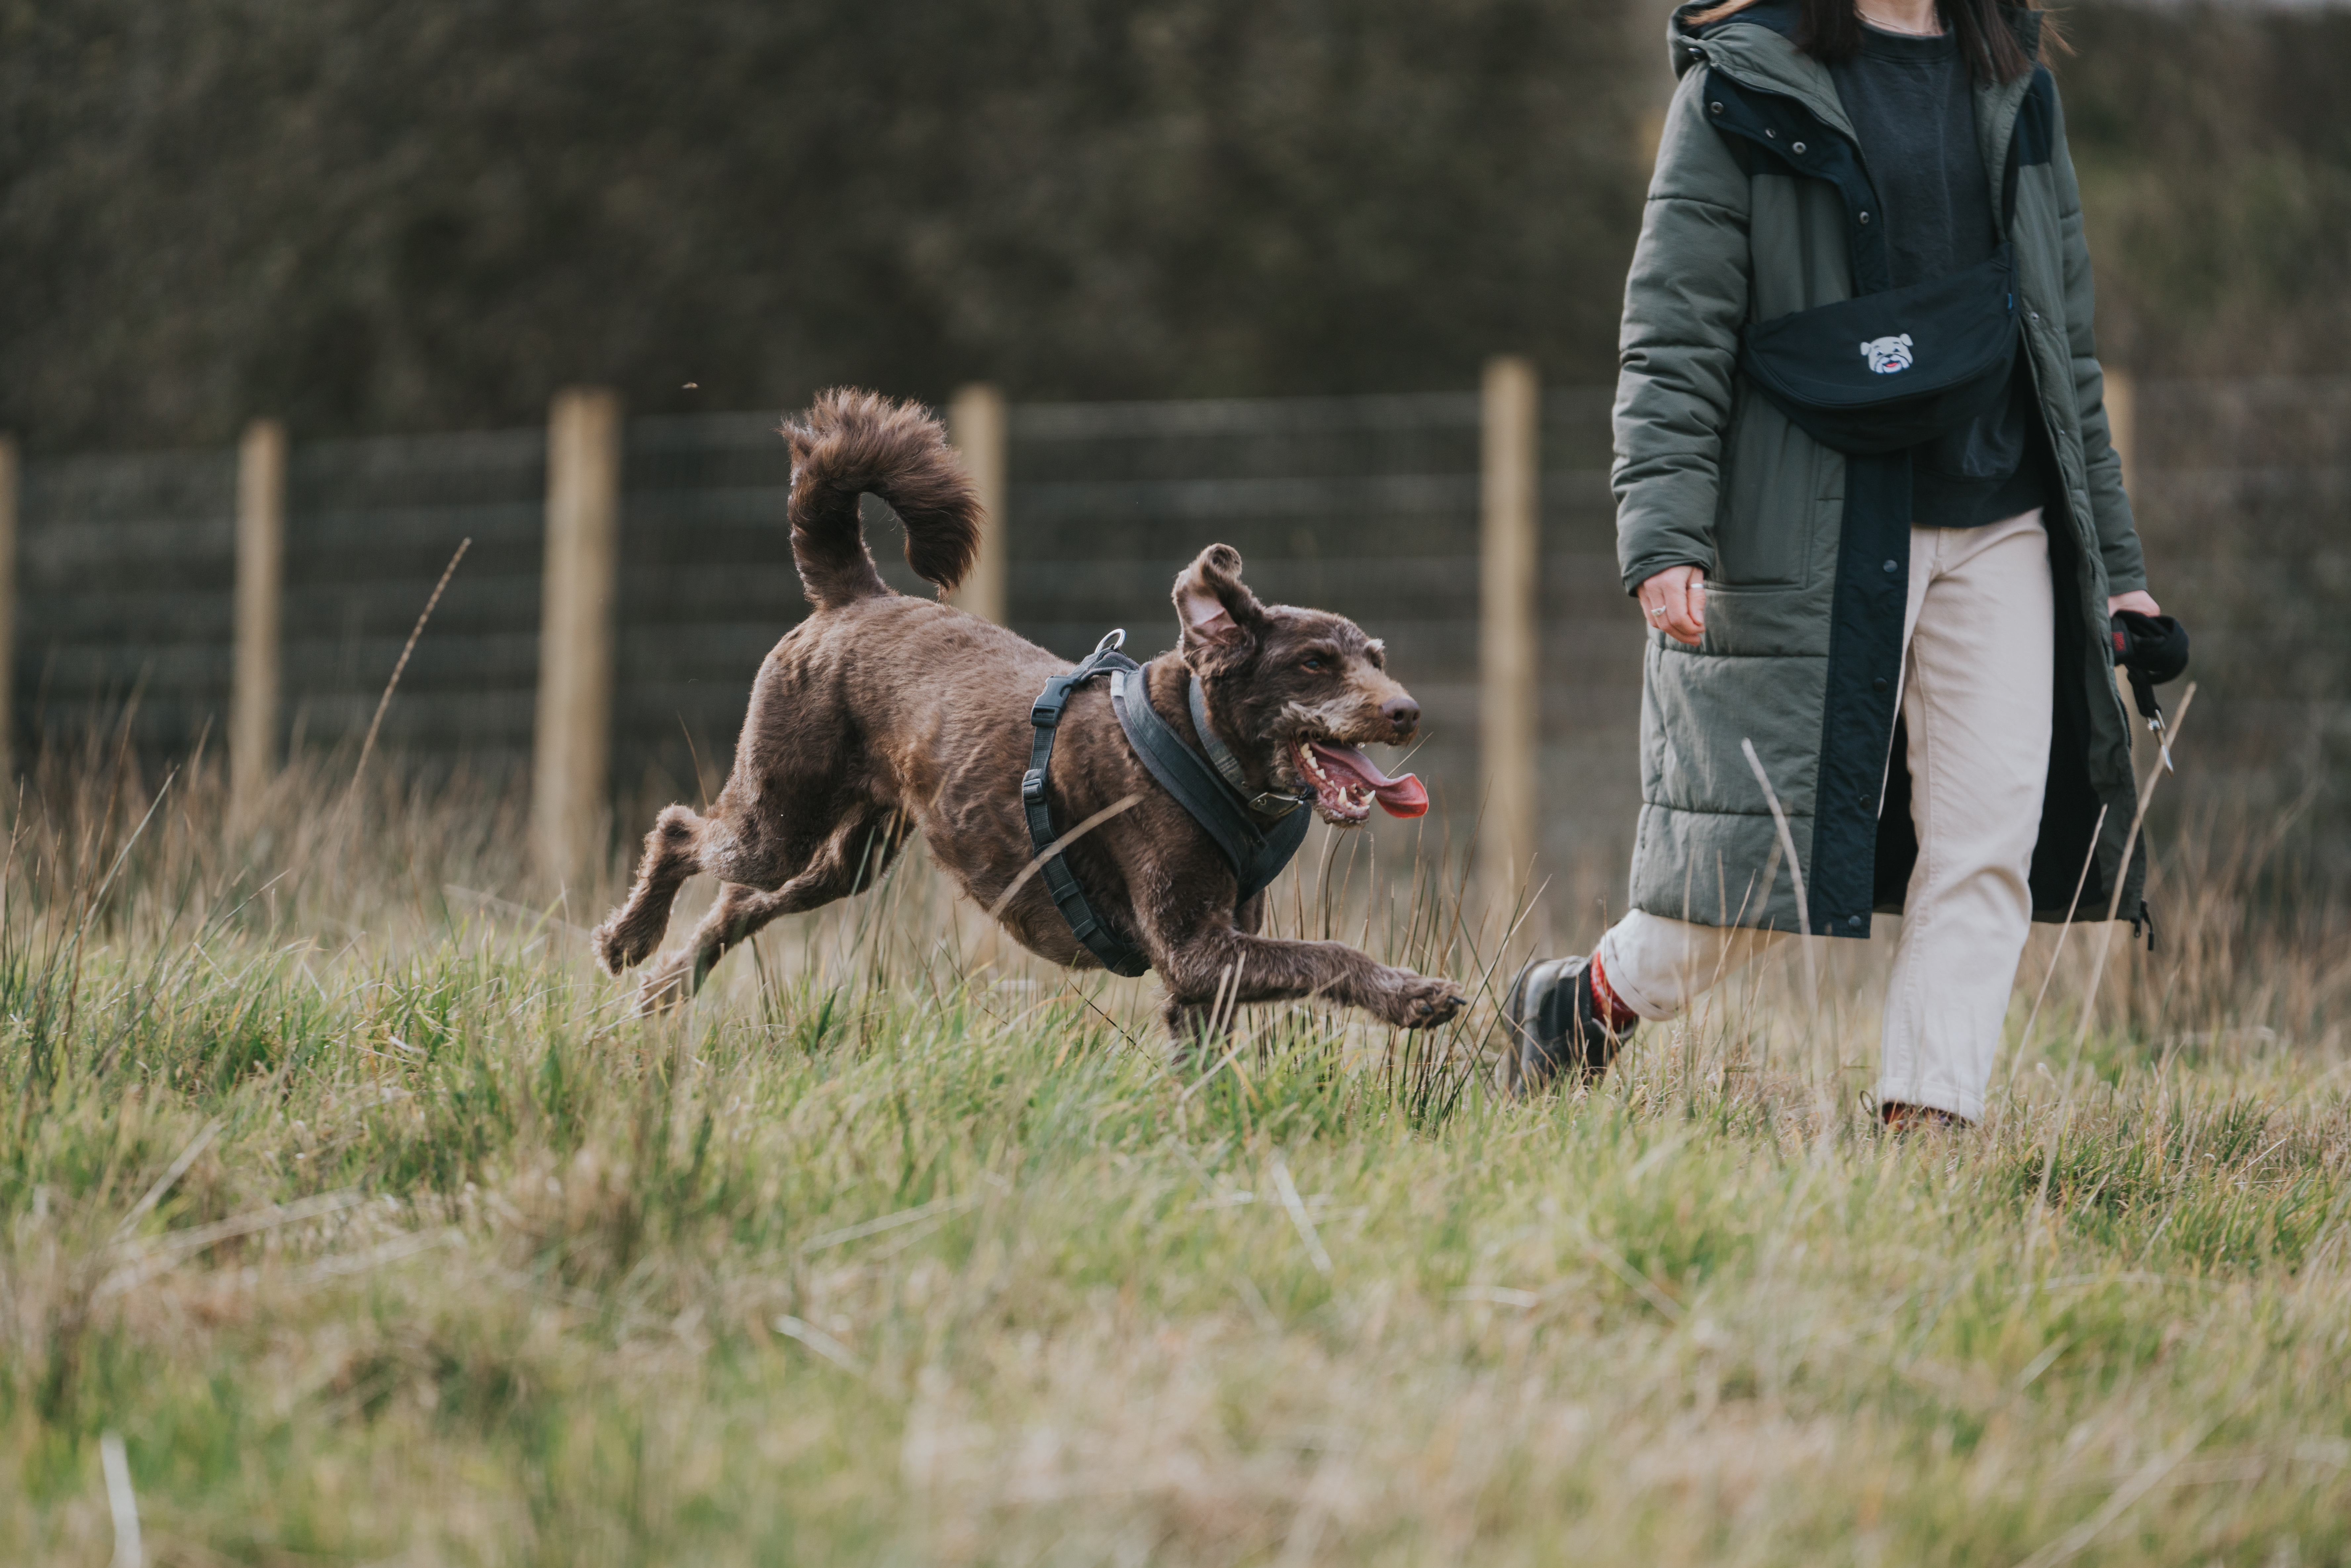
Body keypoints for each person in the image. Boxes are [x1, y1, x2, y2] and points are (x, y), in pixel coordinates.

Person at [1505, 0, 2161, 1126]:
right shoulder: (1739, 82)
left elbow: (2067, 351)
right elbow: (1674, 330)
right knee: (1756, 883)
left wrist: (2116, 564)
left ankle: (1924, 1126)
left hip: (2005, 522)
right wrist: (1663, 533)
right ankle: (1588, 1002)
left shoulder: (2015, 85)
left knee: (1984, 846)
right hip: (1813, 526)